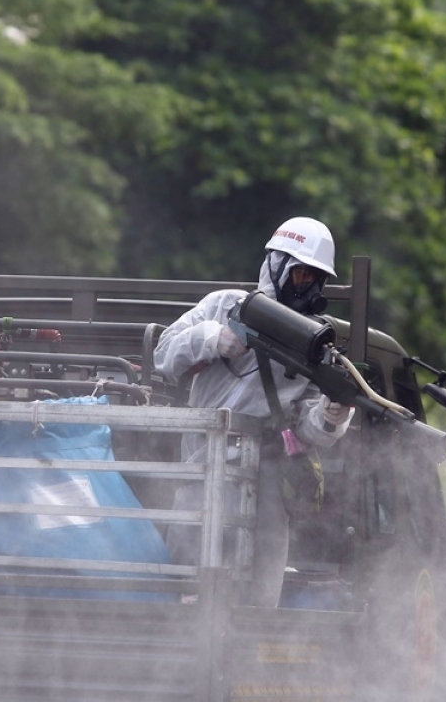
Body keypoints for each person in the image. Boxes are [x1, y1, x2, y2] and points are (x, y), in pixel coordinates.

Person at [154, 216, 354, 607]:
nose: (308, 287)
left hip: (265, 482)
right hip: (202, 471)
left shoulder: (314, 343)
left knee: (257, 602)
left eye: (315, 279)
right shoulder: (224, 305)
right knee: (187, 592)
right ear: (276, 265)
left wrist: (331, 416)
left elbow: (309, 430)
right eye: (300, 276)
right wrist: (213, 339)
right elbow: (164, 354)